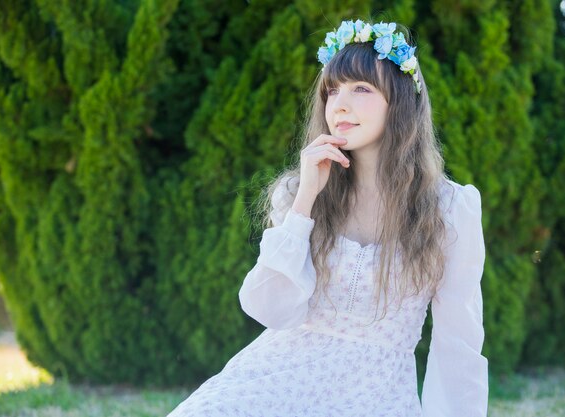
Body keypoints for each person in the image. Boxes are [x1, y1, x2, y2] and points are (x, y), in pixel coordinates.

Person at [166, 19, 488, 417]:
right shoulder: (299, 194)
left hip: (375, 397)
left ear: (401, 100)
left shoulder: (449, 208)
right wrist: (305, 199)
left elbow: (459, 341)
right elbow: (270, 310)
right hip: (276, 381)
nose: (339, 104)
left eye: (361, 88)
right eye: (332, 90)